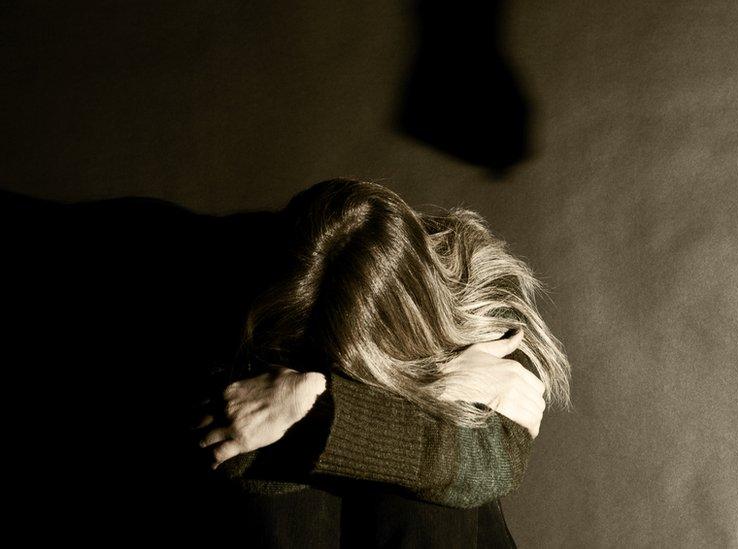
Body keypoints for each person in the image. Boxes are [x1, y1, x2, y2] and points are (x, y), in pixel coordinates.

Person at [190, 179, 572, 547]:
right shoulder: (242, 291)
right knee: (271, 494)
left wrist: (315, 410)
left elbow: (494, 462)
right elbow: (226, 447)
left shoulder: (477, 286)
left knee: (434, 496)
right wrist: (436, 390)